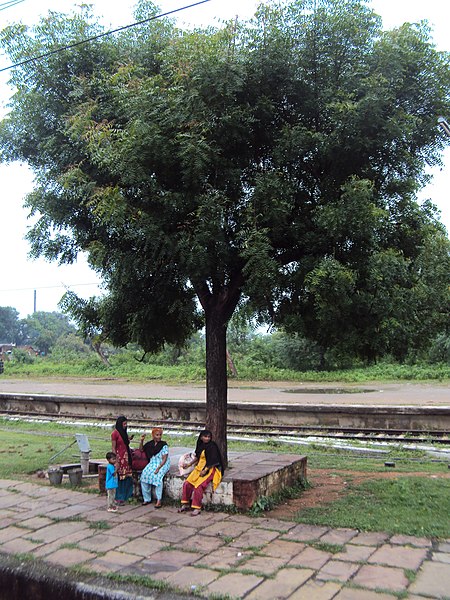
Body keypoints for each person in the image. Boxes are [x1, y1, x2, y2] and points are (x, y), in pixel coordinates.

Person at [178, 429, 224, 516]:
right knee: (187, 483)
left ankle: (197, 508)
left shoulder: (212, 446)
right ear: (201, 437)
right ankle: (185, 504)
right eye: (205, 437)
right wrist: (188, 464)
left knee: (198, 486)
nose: (207, 439)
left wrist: (205, 470)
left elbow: (213, 460)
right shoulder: (200, 445)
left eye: (209, 437)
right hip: (198, 468)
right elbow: (197, 457)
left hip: (209, 468)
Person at [139, 427, 170, 508]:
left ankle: (159, 500)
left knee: (158, 477)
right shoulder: (150, 444)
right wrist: (142, 440)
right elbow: (141, 449)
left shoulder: (164, 445)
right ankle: (147, 498)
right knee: (144, 475)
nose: (159, 437)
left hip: (162, 463)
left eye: (160, 435)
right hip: (153, 462)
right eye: (157, 435)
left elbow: (164, 459)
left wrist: (158, 468)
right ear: (153, 435)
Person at [111, 415, 134, 505]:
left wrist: (129, 439)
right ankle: (119, 497)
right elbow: (113, 447)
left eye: (126, 424)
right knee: (120, 477)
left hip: (126, 457)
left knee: (127, 476)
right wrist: (115, 459)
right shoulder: (115, 433)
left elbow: (125, 441)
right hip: (119, 457)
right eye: (124, 424)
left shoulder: (124, 432)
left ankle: (127, 495)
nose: (125, 426)